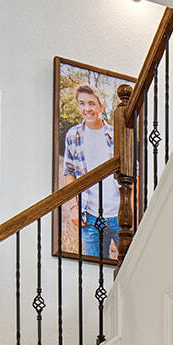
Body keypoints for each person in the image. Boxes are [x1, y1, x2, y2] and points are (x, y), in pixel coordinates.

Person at [60, 83, 117, 258]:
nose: (87, 108)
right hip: (90, 216)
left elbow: (133, 172)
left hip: (119, 214)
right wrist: (73, 207)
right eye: (82, 103)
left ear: (101, 107)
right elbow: (69, 172)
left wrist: (132, 207)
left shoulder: (116, 135)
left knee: (133, 267)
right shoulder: (73, 135)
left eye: (92, 103)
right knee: (95, 271)